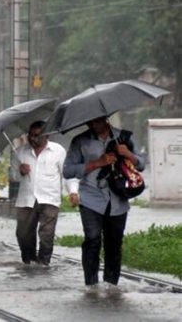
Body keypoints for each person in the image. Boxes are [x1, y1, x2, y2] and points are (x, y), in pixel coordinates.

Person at [64, 116, 145, 289]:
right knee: (92, 240)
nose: (93, 125)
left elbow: (142, 164)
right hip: (90, 198)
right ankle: (91, 286)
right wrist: (96, 163)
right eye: (89, 122)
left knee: (114, 244)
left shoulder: (125, 137)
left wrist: (127, 154)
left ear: (106, 119)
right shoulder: (80, 141)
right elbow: (68, 170)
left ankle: (111, 286)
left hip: (118, 199)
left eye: (97, 121)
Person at [11, 121, 78, 265]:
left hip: (49, 199)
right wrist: (20, 171)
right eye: (30, 135)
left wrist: (73, 191)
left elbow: (66, 174)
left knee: (47, 234)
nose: (33, 139)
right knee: (23, 234)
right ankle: (28, 261)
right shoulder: (20, 152)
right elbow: (13, 176)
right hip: (26, 200)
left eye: (37, 135)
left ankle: (43, 264)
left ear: (46, 136)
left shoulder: (58, 151)